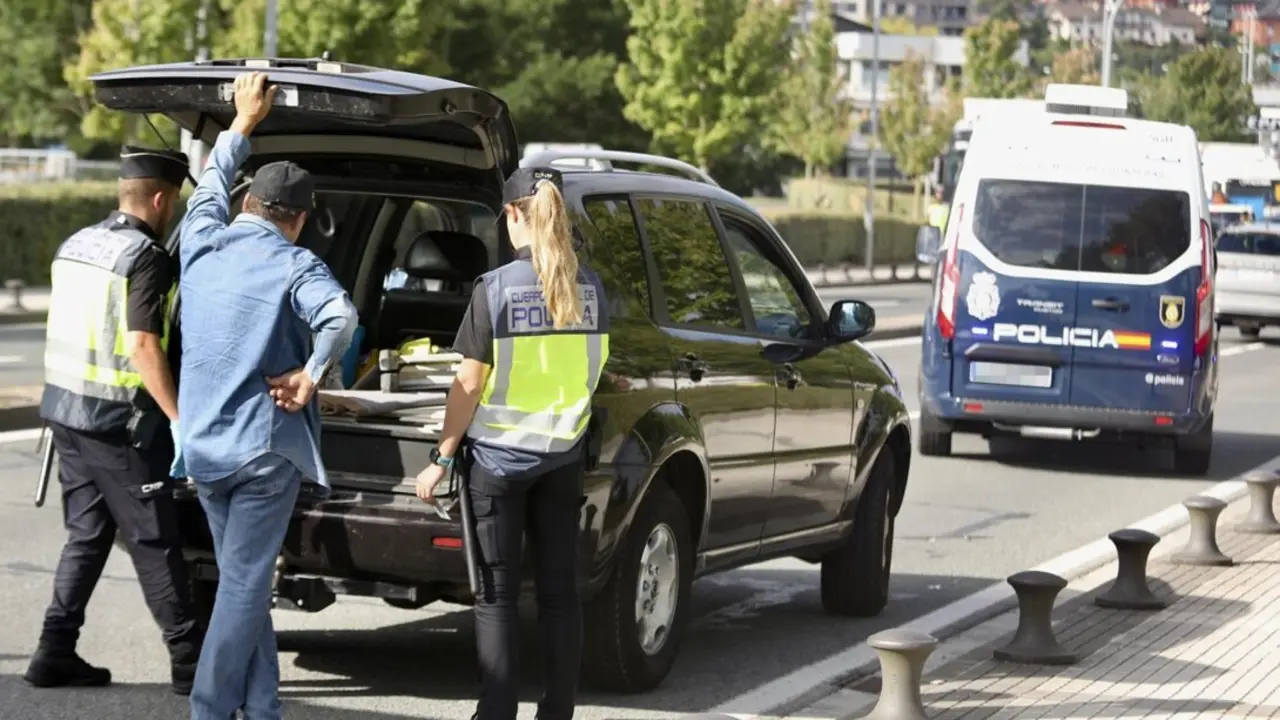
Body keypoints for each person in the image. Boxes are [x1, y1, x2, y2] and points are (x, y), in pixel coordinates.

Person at [175, 71, 357, 720]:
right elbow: (341, 318)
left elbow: (211, 181)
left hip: (203, 449)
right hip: (261, 453)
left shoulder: (200, 240)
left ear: (248, 202)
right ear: (299, 220)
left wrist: (243, 121)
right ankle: (209, 710)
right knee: (244, 589)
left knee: (241, 585)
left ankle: (263, 708)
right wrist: (310, 374)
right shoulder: (294, 262)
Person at [414, 166, 610, 720]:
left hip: (499, 463)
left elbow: (469, 383)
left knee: (497, 595)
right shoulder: (590, 288)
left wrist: (440, 456)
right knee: (559, 593)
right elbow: (595, 368)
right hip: (563, 457)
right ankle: (558, 711)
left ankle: (497, 712)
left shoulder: (496, 288)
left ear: (512, 215)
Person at [27, 144, 204, 694]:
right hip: (119, 426)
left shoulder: (76, 243)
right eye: (174, 202)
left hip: (67, 414)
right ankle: (192, 667)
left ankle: (54, 652)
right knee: (154, 541)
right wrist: (177, 418)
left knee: (87, 536)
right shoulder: (145, 256)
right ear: (161, 199)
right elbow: (144, 345)